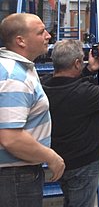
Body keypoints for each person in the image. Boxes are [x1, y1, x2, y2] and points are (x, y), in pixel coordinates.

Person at [42, 40, 99, 207]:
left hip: (62, 157)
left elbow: (69, 83)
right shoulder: (82, 93)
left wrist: (89, 70)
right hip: (82, 164)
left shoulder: (45, 84)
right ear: (77, 63)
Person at [0, 13, 65, 207]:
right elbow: (11, 138)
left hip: (17, 175)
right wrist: (51, 157)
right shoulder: (13, 77)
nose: (48, 36)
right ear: (20, 41)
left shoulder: (19, 68)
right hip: (16, 178)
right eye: (40, 32)